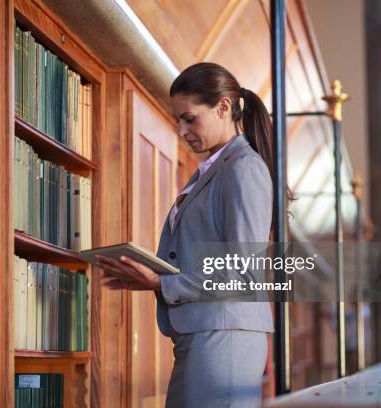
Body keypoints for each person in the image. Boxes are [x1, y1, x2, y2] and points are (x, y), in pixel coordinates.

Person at [96, 62, 275, 408]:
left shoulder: (243, 167)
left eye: (189, 118)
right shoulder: (213, 168)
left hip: (224, 336)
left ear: (224, 107)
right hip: (206, 333)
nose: (181, 130)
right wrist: (151, 276)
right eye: (177, 120)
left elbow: (241, 273)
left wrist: (161, 283)